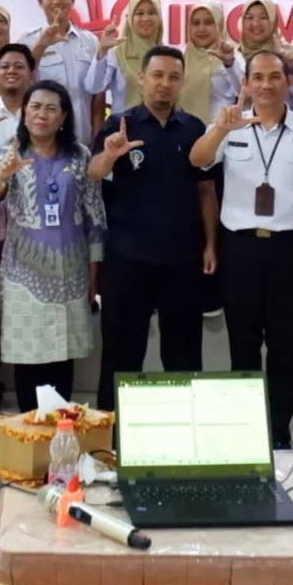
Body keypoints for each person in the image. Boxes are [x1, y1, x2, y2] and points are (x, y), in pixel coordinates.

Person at [191, 51, 293, 448]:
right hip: (239, 248)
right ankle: (245, 429)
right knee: (242, 344)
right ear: (246, 84)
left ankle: (278, 431)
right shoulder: (229, 124)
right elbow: (198, 160)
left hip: (289, 250)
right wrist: (220, 130)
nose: (266, 85)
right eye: (257, 77)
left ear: (289, 81)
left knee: (283, 344)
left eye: (275, 76)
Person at [89, 46, 217, 410]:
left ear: (182, 82)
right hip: (128, 258)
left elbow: (206, 190)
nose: (165, 83)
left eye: (173, 77)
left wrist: (210, 243)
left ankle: (184, 429)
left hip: (182, 260)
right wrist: (111, 154)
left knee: (184, 353)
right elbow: (93, 172)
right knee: (121, 352)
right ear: (141, 77)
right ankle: (113, 432)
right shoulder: (119, 125)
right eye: (157, 75)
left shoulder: (193, 128)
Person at [0, 80, 105, 411]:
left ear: (64, 116)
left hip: (71, 272)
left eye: (51, 108)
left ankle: (58, 430)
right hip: (22, 275)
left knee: (62, 357)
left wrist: (94, 274)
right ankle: (30, 430)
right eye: (35, 107)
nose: (42, 114)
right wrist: (3, 176)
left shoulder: (80, 156)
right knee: (28, 358)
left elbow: (95, 215)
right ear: (24, 113)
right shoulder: (10, 152)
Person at [17, 0, 101, 145]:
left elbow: (97, 96)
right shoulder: (27, 41)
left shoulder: (90, 41)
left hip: (82, 139)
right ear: (40, 2)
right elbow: (21, 86)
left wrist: (98, 140)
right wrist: (41, 45)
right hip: (43, 142)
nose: (56, 1)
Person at [217, 0, 293, 106]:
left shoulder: (287, 53)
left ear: (273, 21)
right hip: (247, 116)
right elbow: (242, 92)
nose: (256, 23)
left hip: (283, 116)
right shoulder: (233, 56)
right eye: (250, 18)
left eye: (263, 17)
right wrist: (230, 64)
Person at [86, 0, 166, 115]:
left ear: (159, 17)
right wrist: (102, 51)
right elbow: (94, 87)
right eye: (139, 13)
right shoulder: (118, 52)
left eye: (152, 13)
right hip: (125, 125)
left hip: (160, 125)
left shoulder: (166, 55)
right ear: (131, 18)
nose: (146, 18)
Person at [179, 1, 233, 125]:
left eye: (208, 22)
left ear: (219, 25)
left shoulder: (231, 57)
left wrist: (230, 64)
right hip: (184, 129)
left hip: (221, 129)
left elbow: (244, 91)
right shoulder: (182, 59)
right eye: (196, 23)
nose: (201, 29)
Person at [0, 43, 37, 150]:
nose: (11, 71)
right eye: (5, 66)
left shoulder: (40, 113)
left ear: (32, 76)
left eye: (19, 67)